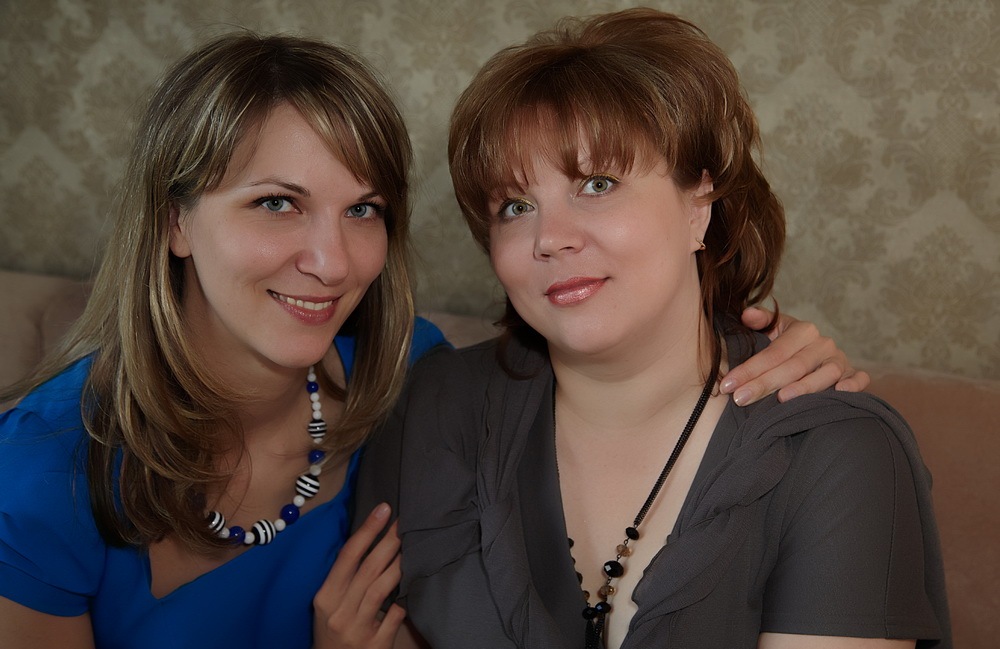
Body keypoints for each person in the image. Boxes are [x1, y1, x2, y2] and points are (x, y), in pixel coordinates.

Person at [0, 26, 868, 649]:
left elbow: (622, 356)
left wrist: (757, 342)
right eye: (277, 203)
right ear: (175, 221)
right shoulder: (42, 472)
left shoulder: (409, 379)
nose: (331, 260)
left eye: (364, 210)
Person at [354, 8, 950, 649]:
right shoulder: (432, 408)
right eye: (516, 206)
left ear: (700, 206)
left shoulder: (836, 452)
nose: (551, 238)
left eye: (597, 183)